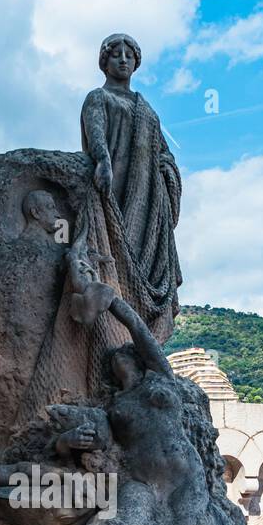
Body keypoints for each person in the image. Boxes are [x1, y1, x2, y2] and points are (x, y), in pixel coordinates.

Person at [80, 33, 182, 345]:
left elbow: (163, 152)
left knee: (146, 263)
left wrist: (166, 171)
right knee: (115, 259)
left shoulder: (148, 110)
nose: (123, 59)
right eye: (116, 54)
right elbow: (95, 133)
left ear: (136, 63)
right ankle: (116, 331)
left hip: (149, 203)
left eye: (129, 55)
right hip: (114, 196)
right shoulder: (98, 98)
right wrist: (103, 160)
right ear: (104, 61)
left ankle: (141, 342)